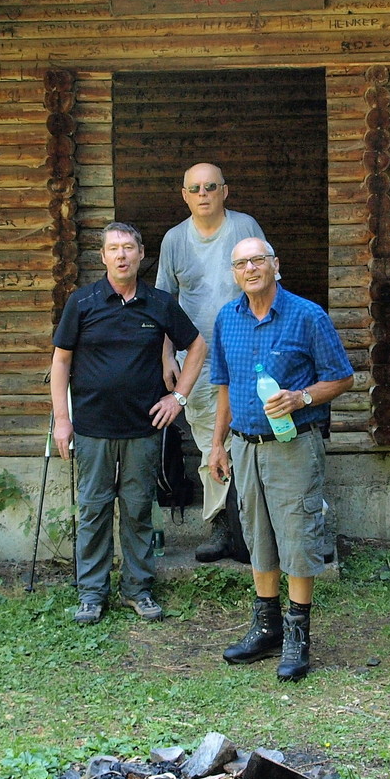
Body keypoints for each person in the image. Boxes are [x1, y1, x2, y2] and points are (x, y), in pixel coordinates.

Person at [208, 237, 354, 682]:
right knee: (257, 535)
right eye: (241, 263)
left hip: (294, 445)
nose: (250, 268)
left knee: (297, 536)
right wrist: (217, 445)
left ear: (275, 265)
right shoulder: (226, 320)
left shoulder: (307, 315)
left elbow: (342, 377)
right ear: (234, 273)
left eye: (258, 260)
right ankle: (266, 627)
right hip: (244, 445)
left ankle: (297, 634)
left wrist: (302, 397)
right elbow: (225, 388)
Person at [52, 222, 208, 624]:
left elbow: (197, 346)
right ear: (103, 257)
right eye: (113, 249)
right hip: (91, 428)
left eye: (128, 248)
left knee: (139, 509)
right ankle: (91, 593)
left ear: (141, 254)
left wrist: (179, 397)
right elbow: (61, 361)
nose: (121, 255)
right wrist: (62, 420)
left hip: (143, 429)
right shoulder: (82, 302)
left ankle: (138, 589)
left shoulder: (159, 303)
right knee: (93, 510)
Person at [156, 162, 266, 564]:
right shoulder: (174, 240)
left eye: (210, 187)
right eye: (195, 188)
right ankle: (222, 525)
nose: (203, 194)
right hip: (196, 359)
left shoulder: (244, 228)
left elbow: (269, 282)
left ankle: (278, 525)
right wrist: (168, 355)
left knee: (265, 436)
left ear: (225, 191)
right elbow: (164, 304)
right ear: (184, 195)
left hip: (249, 352)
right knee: (210, 444)